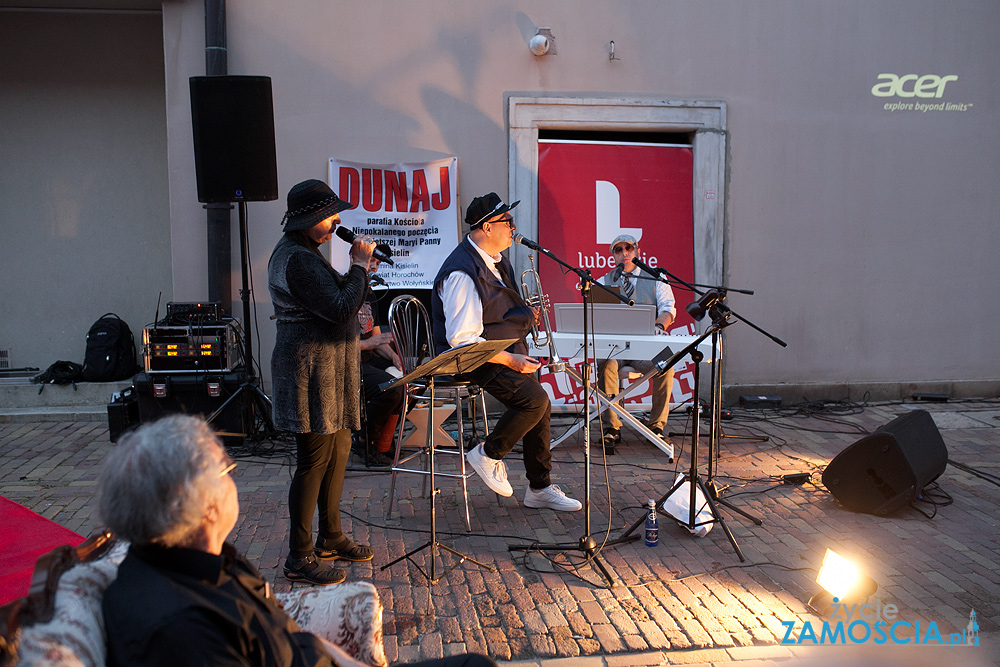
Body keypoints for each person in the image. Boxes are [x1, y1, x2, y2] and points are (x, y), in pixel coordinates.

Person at [99, 415, 495, 667]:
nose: (233, 479)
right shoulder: (183, 632)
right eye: (226, 470)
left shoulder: (199, 559)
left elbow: (288, 632)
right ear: (206, 508)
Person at [430, 192, 581, 512]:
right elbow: (462, 340)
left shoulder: (496, 259)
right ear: (486, 227)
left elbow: (499, 310)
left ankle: (539, 488)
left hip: (500, 348)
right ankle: (487, 454)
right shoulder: (462, 273)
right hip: (471, 357)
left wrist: (526, 316)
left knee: (539, 402)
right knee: (534, 400)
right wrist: (510, 358)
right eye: (507, 222)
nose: (514, 227)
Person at [268, 179, 376, 585]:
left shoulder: (307, 254)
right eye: (330, 215)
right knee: (313, 460)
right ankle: (300, 556)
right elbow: (339, 307)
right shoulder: (296, 259)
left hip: (330, 369)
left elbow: (349, 304)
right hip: (310, 372)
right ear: (308, 218)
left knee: (339, 448)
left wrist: (362, 274)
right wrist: (360, 268)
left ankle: (331, 536)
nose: (336, 222)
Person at [597, 234, 677, 452]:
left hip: (646, 347)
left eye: (629, 248)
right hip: (617, 347)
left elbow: (668, 309)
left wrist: (659, 326)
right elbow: (596, 312)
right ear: (613, 255)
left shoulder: (656, 278)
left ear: (637, 250)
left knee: (665, 363)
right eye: (618, 250)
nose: (624, 253)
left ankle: (656, 426)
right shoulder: (604, 281)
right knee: (605, 363)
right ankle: (612, 427)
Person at [357, 244, 404, 467]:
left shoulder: (369, 294)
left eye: (377, 264)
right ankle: (367, 442)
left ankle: (385, 442)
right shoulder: (344, 291)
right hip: (347, 361)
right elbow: (337, 344)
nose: (374, 267)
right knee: (390, 389)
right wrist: (369, 343)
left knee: (409, 384)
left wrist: (394, 356)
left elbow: (375, 338)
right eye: (370, 261)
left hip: (367, 357)